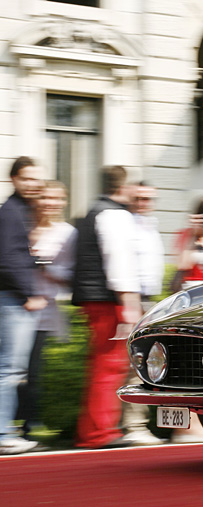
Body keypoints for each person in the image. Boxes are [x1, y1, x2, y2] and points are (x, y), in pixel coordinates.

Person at [71, 165, 141, 449]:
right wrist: (130, 305)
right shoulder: (116, 215)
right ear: (123, 188)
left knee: (99, 365)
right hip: (110, 300)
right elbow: (120, 262)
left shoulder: (93, 212)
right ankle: (101, 433)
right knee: (110, 366)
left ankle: (90, 431)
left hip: (94, 298)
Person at [18, 181, 75, 439]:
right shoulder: (21, 225)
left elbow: (72, 273)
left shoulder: (68, 233)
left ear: (63, 202)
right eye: (45, 197)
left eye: (57, 198)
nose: (50, 203)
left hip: (44, 311)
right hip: (14, 306)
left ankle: (31, 424)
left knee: (33, 370)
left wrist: (46, 268)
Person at [0, 156, 46, 455]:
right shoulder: (11, 212)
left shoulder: (19, 211)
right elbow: (6, 260)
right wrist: (27, 294)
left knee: (10, 369)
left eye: (36, 179)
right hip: (14, 301)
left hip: (14, 299)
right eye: (27, 178)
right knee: (10, 370)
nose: (33, 184)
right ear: (14, 179)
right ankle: (4, 433)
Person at [119, 182, 165, 446]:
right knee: (136, 364)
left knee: (151, 363)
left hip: (150, 300)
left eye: (148, 198)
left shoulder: (150, 225)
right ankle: (134, 427)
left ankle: (142, 425)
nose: (143, 202)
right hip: (135, 299)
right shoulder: (127, 226)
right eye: (138, 198)